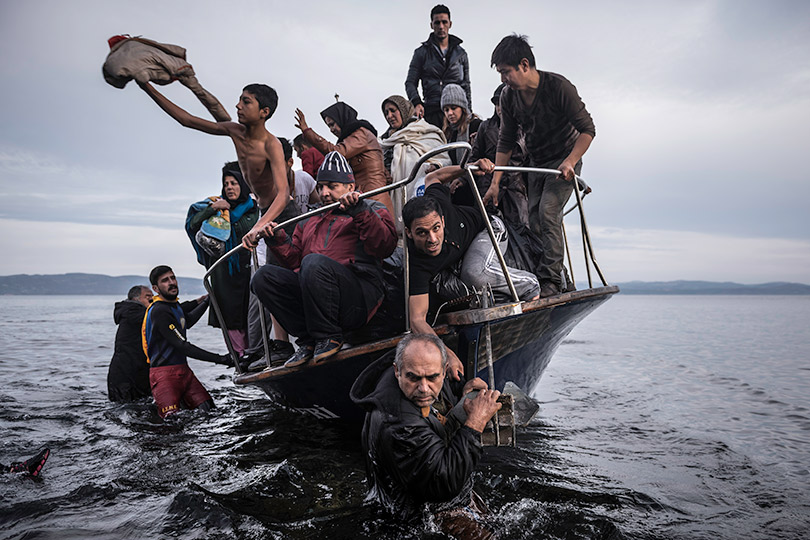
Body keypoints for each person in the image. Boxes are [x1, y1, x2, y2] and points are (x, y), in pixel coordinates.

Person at [251, 152, 398, 368]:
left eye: (332, 186)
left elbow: (384, 245)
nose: (324, 193)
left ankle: (329, 337)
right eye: (320, 187)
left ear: (350, 186)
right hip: (316, 297)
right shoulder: (310, 218)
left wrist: (359, 210)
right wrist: (277, 239)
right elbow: (294, 262)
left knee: (313, 262)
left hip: (357, 299)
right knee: (262, 277)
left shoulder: (372, 208)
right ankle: (308, 342)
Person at [350, 333, 500, 537]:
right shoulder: (399, 424)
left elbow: (435, 421)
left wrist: (462, 399)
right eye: (413, 377)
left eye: (432, 377)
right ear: (397, 371)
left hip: (444, 496)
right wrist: (475, 422)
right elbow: (442, 483)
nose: (423, 388)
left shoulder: (415, 377)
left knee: (497, 526)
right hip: (424, 515)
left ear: (443, 369)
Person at [402, 159, 540, 379]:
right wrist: (445, 354)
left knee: (474, 274)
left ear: (443, 220)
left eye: (436, 228)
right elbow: (417, 319)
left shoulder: (437, 202)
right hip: (460, 257)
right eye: (422, 233)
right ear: (408, 233)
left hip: (488, 229)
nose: (432, 238)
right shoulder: (416, 261)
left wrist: (469, 167)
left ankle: (530, 284)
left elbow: (433, 178)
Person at [483, 34, 596, 298]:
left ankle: (551, 282)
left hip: (564, 161)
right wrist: (495, 183)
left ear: (524, 64)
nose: (503, 79)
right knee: (533, 220)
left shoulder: (558, 87)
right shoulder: (509, 98)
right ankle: (552, 276)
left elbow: (587, 130)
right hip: (537, 163)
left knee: (548, 212)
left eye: (505, 72)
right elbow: (506, 141)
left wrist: (571, 160)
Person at [137, 81, 294, 252]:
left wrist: (259, 225)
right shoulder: (236, 132)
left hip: (282, 213)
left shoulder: (271, 145)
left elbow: (283, 194)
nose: (238, 105)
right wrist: (146, 87)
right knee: (267, 272)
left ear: (264, 112)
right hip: (263, 213)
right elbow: (187, 120)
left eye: (246, 102)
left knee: (286, 267)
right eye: (239, 100)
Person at [185, 162, 258, 356]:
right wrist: (213, 208)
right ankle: (240, 356)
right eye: (226, 184)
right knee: (229, 316)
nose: (230, 188)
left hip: (246, 270)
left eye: (234, 183)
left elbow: (245, 230)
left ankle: (255, 352)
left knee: (250, 314)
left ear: (242, 185)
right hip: (223, 273)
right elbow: (192, 225)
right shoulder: (215, 206)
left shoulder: (253, 209)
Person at [143, 265, 232, 418]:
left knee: (209, 411)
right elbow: (182, 345)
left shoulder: (173, 307)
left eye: (173, 278)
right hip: (164, 375)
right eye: (165, 280)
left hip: (184, 372)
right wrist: (222, 359)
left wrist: (207, 302)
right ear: (156, 289)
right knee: (171, 422)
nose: (171, 282)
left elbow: (187, 321)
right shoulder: (159, 311)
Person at [295, 102, 395, 216]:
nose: (331, 130)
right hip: (363, 196)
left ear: (342, 119)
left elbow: (336, 152)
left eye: (333, 124)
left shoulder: (360, 134)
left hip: (373, 197)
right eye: (329, 126)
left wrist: (307, 132)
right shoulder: (353, 137)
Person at [378, 95, 449, 227]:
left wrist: (435, 165)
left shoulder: (425, 132)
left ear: (403, 110)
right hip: (393, 197)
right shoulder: (386, 140)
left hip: (420, 195)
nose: (389, 116)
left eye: (393, 110)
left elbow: (444, 160)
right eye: (386, 113)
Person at [472, 83, 529, 229]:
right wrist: (462, 178)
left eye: (504, 103)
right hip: (488, 187)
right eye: (497, 103)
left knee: (521, 231)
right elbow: (473, 158)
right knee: (486, 229)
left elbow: (534, 162)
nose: (500, 108)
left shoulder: (527, 128)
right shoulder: (485, 127)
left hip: (516, 188)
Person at [405, 4, 471, 129]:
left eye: (444, 22)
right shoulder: (421, 52)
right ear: (431, 25)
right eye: (437, 23)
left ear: (450, 24)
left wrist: (469, 111)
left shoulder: (461, 54)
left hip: (456, 113)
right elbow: (410, 82)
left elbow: (466, 85)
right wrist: (417, 103)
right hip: (431, 111)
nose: (441, 26)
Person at [107, 285, 153, 402]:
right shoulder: (135, 313)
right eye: (148, 296)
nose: (152, 299)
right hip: (125, 377)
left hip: (136, 373)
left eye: (153, 296)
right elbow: (166, 315)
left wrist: (199, 302)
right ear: (135, 299)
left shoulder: (136, 312)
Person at [440, 83, 482, 206]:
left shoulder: (476, 126)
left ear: (462, 107)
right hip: (458, 190)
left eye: (453, 108)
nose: (450, 113)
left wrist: (463, 179)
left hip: (476, 187)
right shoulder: (449, 134)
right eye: (446, 110)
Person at [280, 137, 321, 215]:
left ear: (290, 162)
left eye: (276, 165)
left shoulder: (305, 178)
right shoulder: (265, 187)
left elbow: (319, 207)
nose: (298, 155)